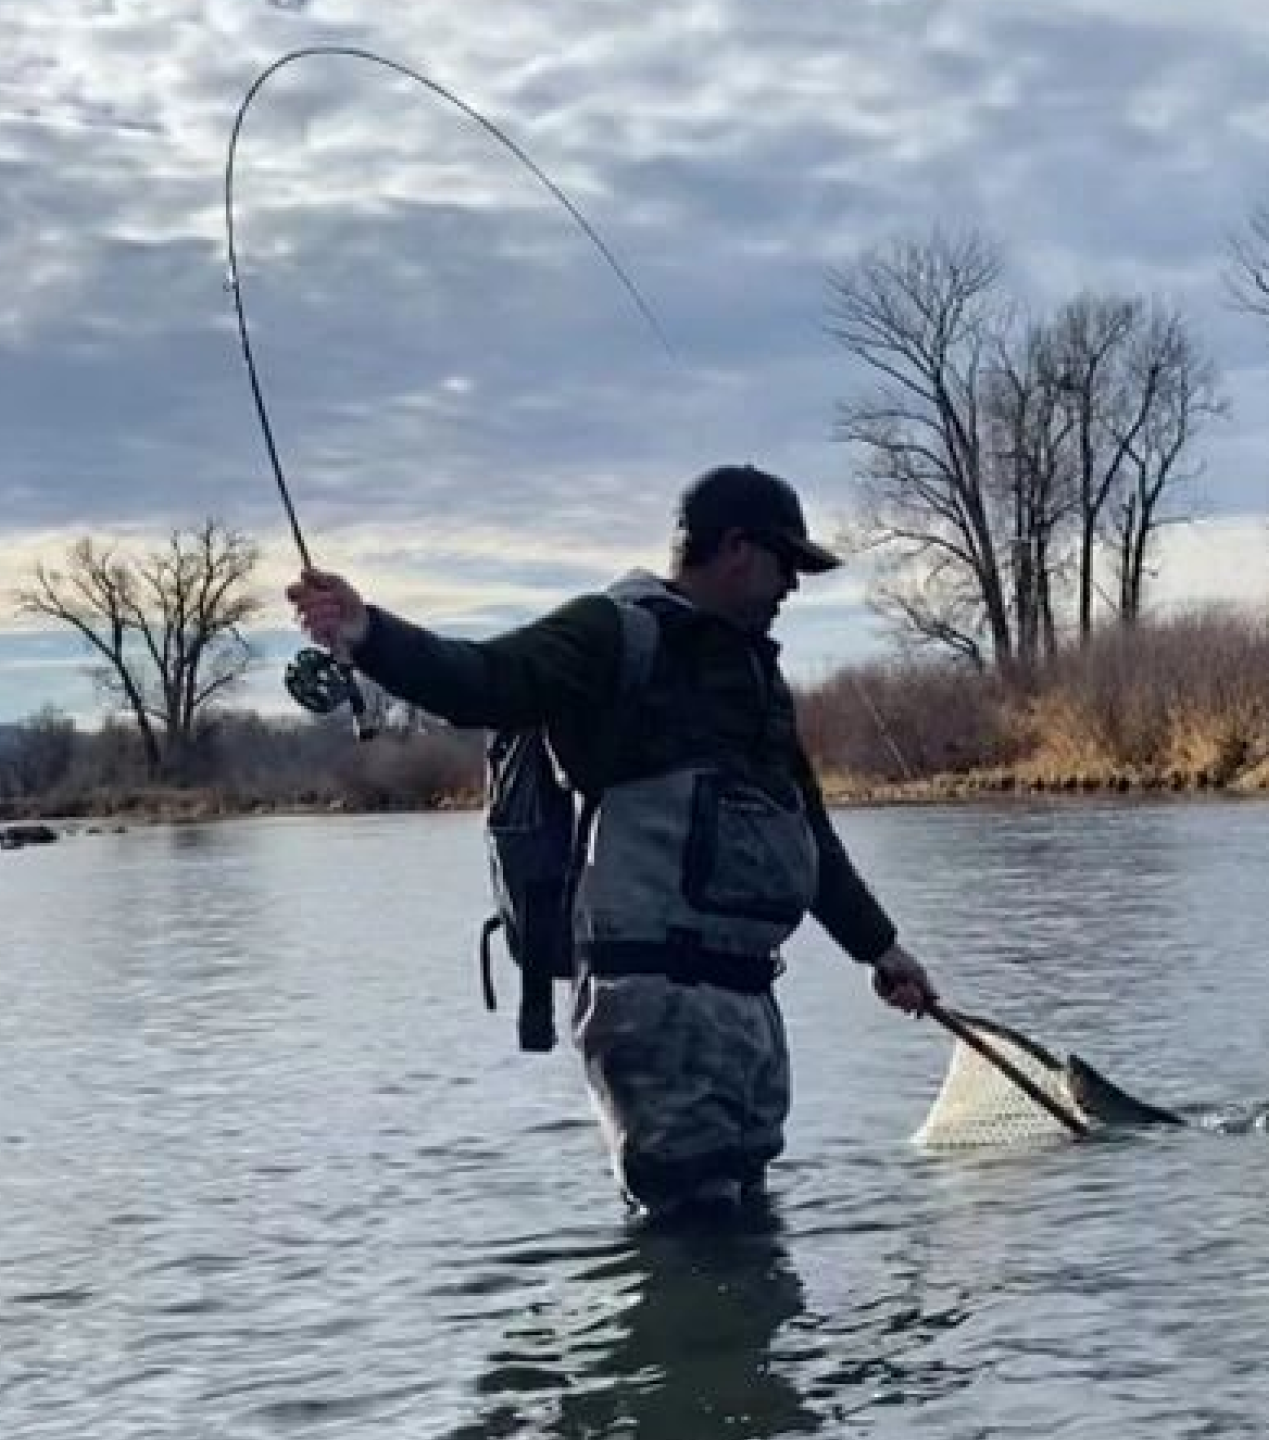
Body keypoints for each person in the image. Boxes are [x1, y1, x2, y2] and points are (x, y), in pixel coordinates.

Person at [287, 463, 937, 1220]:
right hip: (653, 999)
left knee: (747, 1226)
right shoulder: (612, 631)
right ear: (735, 549)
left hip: (746, 1004)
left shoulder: (758, 677)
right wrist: (368, 635)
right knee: (693, 1229)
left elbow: (808, 836)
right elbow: (482, 680)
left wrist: (880, 949)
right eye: (785, 562)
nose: (792, 585)